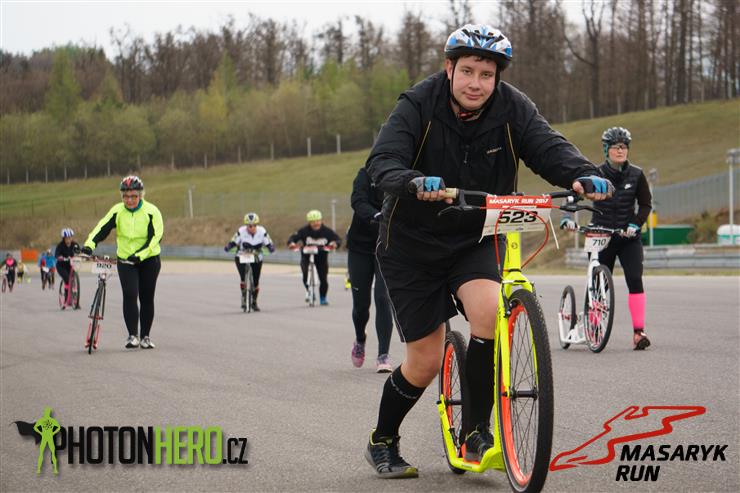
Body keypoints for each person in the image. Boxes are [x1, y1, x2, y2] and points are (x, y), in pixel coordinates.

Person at [363, 24, 614, 478]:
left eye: (486, 74)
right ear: (449, 68)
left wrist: (580, 173)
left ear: (497, 77)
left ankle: (476, 431)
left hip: (477, 235)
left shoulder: (513, 107)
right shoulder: (417, 104)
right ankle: (383, 439)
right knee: (424, 361)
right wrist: (413, 181)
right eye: (467, 72)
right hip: (412, 245)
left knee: (487, 312)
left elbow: (547, 146)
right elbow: (383, 162)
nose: (476, 83)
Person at [561, 127, 652, 350]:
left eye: (624, 146)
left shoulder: (637, 174)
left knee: (635, 279)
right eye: (615, 147)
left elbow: (645, 204)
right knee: (599, 283)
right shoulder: (595, 174)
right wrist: (567, 217)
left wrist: (635, 224)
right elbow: (573, 196)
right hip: (600, 235)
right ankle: (594, 327)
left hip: (627, 236)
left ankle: (639, 333)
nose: (620, 150)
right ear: (606, 150)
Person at [81, 175, 164, 350]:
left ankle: (145, 337)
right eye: (126, 196)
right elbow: (102, 228)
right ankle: (133, 336)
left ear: (141, 195)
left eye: (134, 196)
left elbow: (156, 237)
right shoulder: (117, 210)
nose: (129, 200)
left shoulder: (152, 211)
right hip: (126, 260)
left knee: (146, 297)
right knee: (130, 294)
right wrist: (89, 245)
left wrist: (140, 255)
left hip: (149, 259)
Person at [347, 167, 394, 373]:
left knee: (383, 298)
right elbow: (357, 200)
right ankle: (360, 339)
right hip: (360, 246)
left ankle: (383, 355)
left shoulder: (397, 173)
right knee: (361, 305)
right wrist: (375, 214)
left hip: (386, 246)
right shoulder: (365, 175)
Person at [287, 210, 341, 306]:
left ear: (321, 220)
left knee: (323, 279)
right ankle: (310, 291)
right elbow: (293, 238)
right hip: (306, 256)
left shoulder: (327, 231)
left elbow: (337, 239)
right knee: (305, 274)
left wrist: (335, 244)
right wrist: (291, 243)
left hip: (321, 257)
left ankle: (323, 297)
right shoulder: (304, 230)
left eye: (317, 221)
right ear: (309, 222)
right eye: (313, 222)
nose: (316, 223)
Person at [224, 212, 276, 311]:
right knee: (243, 278)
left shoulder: (262, 231)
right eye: (249, 225)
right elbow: (233, 241)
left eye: (254, 225)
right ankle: (244, 297)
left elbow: (269, 242)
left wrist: (271, 248)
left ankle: (254, 301)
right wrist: (228, 247)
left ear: (257, 225)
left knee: (256, 282)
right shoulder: (241, 231)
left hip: (256, 256)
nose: (251, 228)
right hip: (242, 255)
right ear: (246, 225)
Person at [55, 228, 80, 308]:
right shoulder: (60, 246)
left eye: (70, 238)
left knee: (73, 280)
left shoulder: (74, 244)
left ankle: (75, 301)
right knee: (67, 279)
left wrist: (81, 255)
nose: (68, 240)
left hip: (70, 265)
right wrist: (60, 257)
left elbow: (79, 252)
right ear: (64, 239)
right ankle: (66, 300)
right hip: (61, 266)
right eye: (67, 238)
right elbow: (56, 255)